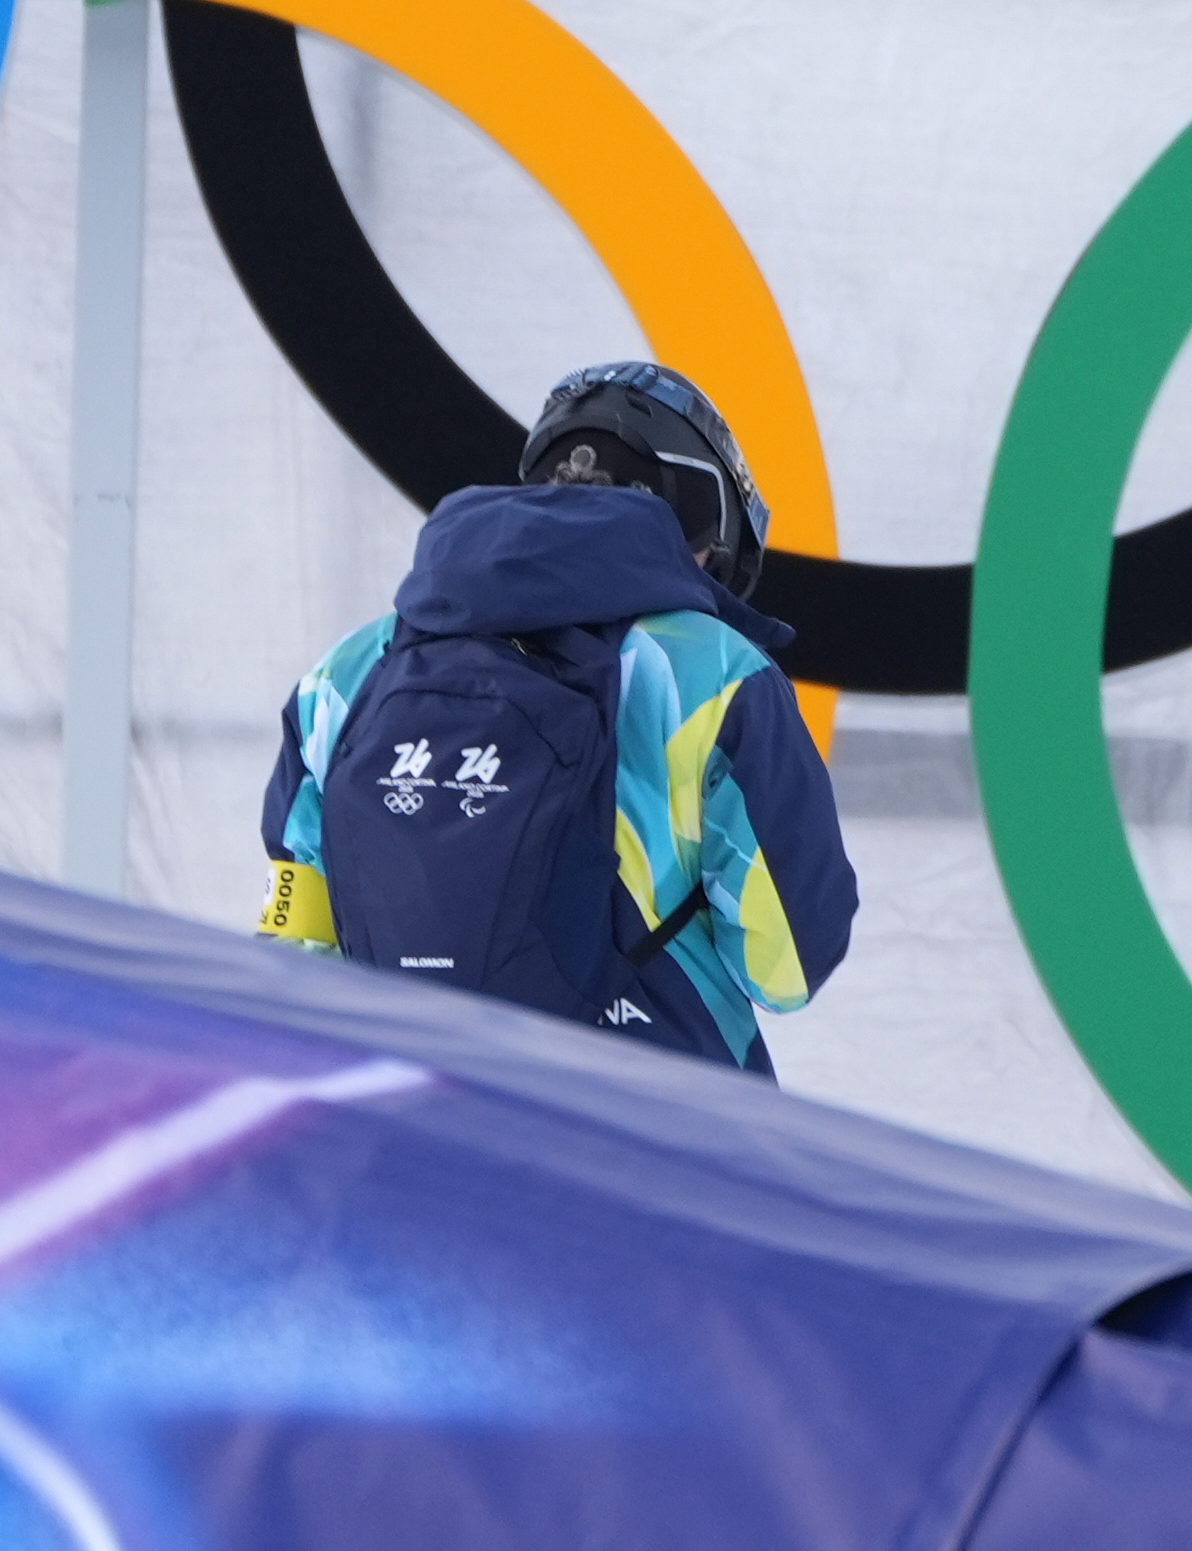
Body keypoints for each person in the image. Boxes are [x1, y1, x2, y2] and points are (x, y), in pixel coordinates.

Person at [258, 360, 854, 1072]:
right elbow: (785, 963)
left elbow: (297, 942)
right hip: (655, 1140)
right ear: (704, 523)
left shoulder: (348, 674)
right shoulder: (714, 672)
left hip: (408, 1131)